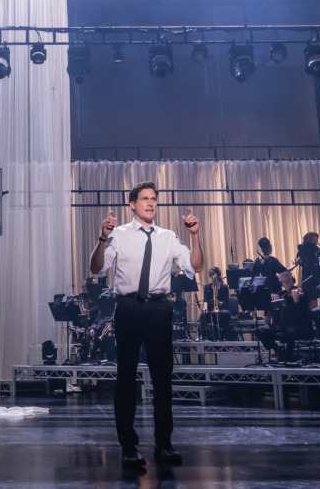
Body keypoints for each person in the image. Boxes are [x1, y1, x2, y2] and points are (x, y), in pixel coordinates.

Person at [90, 181, 203, 469]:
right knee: (126, 377)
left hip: (159, 309)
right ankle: (128, 446)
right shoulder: (119, 234)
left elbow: (196, 266)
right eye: (144, 199)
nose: (151, 203)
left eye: (154, 199)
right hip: (128, 308)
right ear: (132, 204)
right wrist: (102, 238)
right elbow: (95, 268)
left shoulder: (168, 236)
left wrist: (196, 236)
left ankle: (164, 444)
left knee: (163, 378)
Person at [258, 272, 313, 361]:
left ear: (293, 280)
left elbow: (302, 312)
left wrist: (296, 300)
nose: (287, 283)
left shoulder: (301, 292)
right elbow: (271, 307)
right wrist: (272, 297)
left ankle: (288, 353)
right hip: (281, 325)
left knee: (290, 330)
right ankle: (279, 351)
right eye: (284, 282)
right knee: (260, 330)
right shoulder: (281, 294)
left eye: (288, 280)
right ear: (281, 284)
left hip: (297, 325)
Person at [200, 267, 233, 341]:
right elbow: (206, 299)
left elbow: (227, 301)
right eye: (210, 274)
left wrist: (220, 303)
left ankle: (222, 334)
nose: (212, 276)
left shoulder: (224, 287)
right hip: (211, 308)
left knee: (223, 314)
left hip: (222, 308)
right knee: (203, 315)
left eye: (213, 274)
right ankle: (205, 335)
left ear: (218, 274)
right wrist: (205, 307)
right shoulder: (207, 287)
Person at [295, 232, 320, 310]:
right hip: (308, 277)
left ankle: (312, 316)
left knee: (312, 297)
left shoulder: (315, 249)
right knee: (311, 297)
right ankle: (313, 316)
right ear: (309, 239)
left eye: (317, 239)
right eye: (315, 239)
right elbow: (299, 261)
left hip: (314, 276)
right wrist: (297, 262)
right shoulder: (311, 250)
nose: (316, 241)